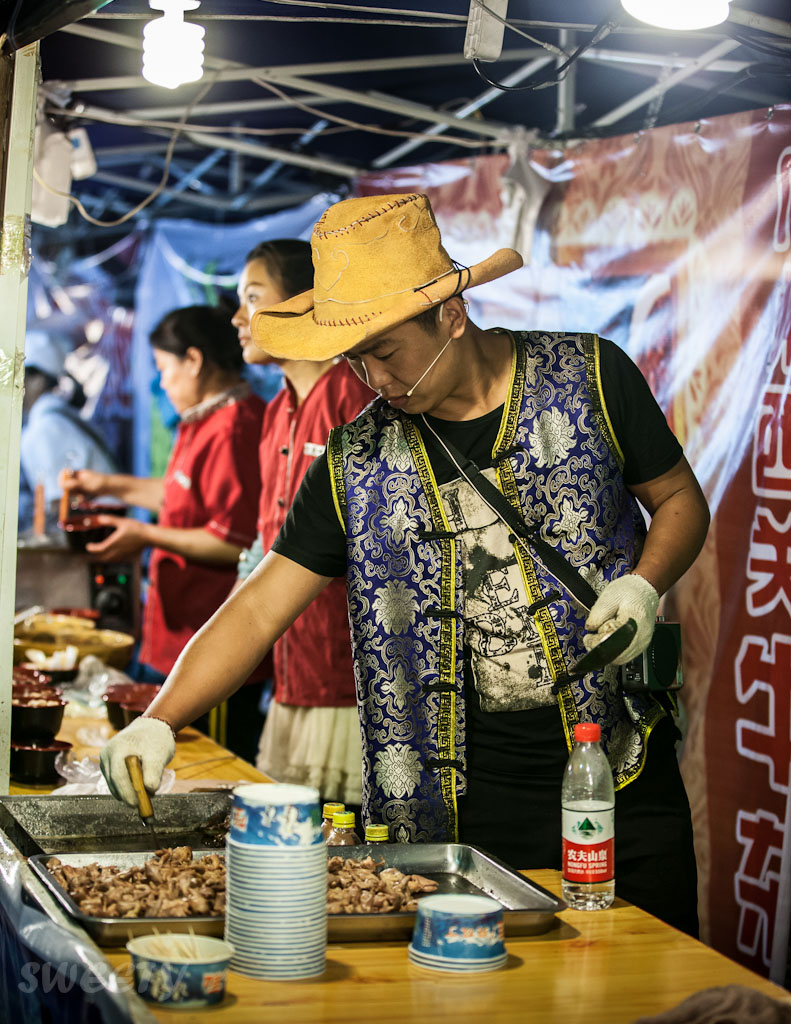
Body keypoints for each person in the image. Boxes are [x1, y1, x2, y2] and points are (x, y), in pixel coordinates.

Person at [100, 194, 710, 936]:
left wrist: (644, 583)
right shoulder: (357, 458)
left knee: (652, 976)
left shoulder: (588, 377)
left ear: (450, 315)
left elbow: (678, 497)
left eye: (384, 352)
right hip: (456, 801)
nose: (369, 377)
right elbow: (260, 606)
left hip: (614, 768)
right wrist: (160, 721)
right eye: (353, 358)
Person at [60, 304, 267, 759]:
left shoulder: (236, 427)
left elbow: (232, 541)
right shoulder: (201, 419)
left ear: (194, 360)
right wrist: (107, 485)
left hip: (214, 648)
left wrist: (145, 536)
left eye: (164, 368)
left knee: (207, 772)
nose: (161, 383)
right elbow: (179, 498)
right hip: (174, 638)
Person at [231, 238, 373, 807]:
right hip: (290, 664)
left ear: (304, 303)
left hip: (347, 675)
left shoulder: (354, 397)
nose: (239, 318)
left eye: (253, 298)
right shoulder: (275, 412)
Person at [19, 329, 118, 533]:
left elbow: (60, 508)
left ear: (38, 380)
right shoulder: (50, 419)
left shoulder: (46, 428)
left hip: (104, 536)